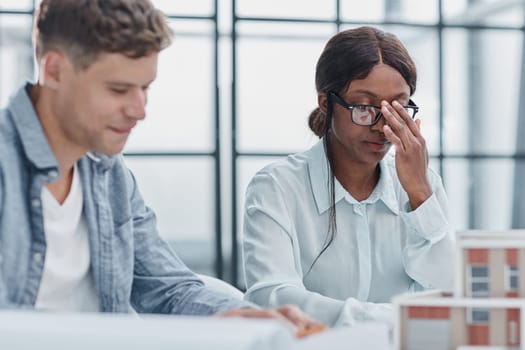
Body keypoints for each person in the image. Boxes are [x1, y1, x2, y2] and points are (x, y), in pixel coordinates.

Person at [0, 0, 324, 336]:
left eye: (145, 88)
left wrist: (249, 318)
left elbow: (167, 287)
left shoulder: (107, 173)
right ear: (54, 71)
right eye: (119, 89)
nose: (140, 111)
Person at [242, 26, 456, 327]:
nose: (382, 126)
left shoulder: (424, 184)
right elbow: (272, 297)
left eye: (397, 108)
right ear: (326, 103)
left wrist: (420, 195)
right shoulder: (276, 187)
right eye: (364, 107)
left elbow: (449, 297)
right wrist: (395, 318)